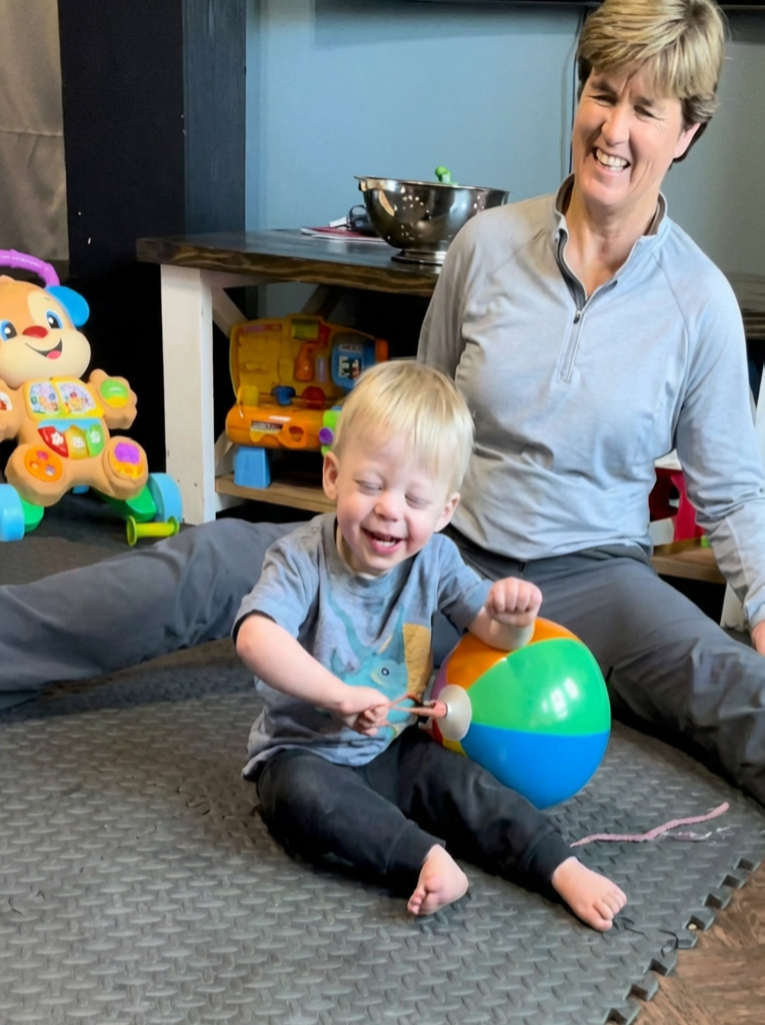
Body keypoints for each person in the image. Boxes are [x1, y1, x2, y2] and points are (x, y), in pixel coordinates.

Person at [0, 0, 764, 806]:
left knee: (726, 681)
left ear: (685, 133)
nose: (613, 129)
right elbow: (417, 411)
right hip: (435, 555)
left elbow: (734, 492)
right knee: (216, 558)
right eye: (602, 94)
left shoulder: (698, 302)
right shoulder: (487, 245)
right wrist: (363, 523)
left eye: (645, 110)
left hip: (594, 580)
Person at [232, 360, 626, 926]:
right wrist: (339, 695)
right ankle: (426, 857)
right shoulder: (300, 558)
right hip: (304, 754)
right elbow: (255, 637)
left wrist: (513, 617)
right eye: (370, 485)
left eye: (415, 501)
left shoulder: (436, 559)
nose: (390, 508)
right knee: (297, 797)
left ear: (444, 513)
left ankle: (558, 864)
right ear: (332, 476)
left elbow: (489, 630)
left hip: (395, 750)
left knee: (469, 787)